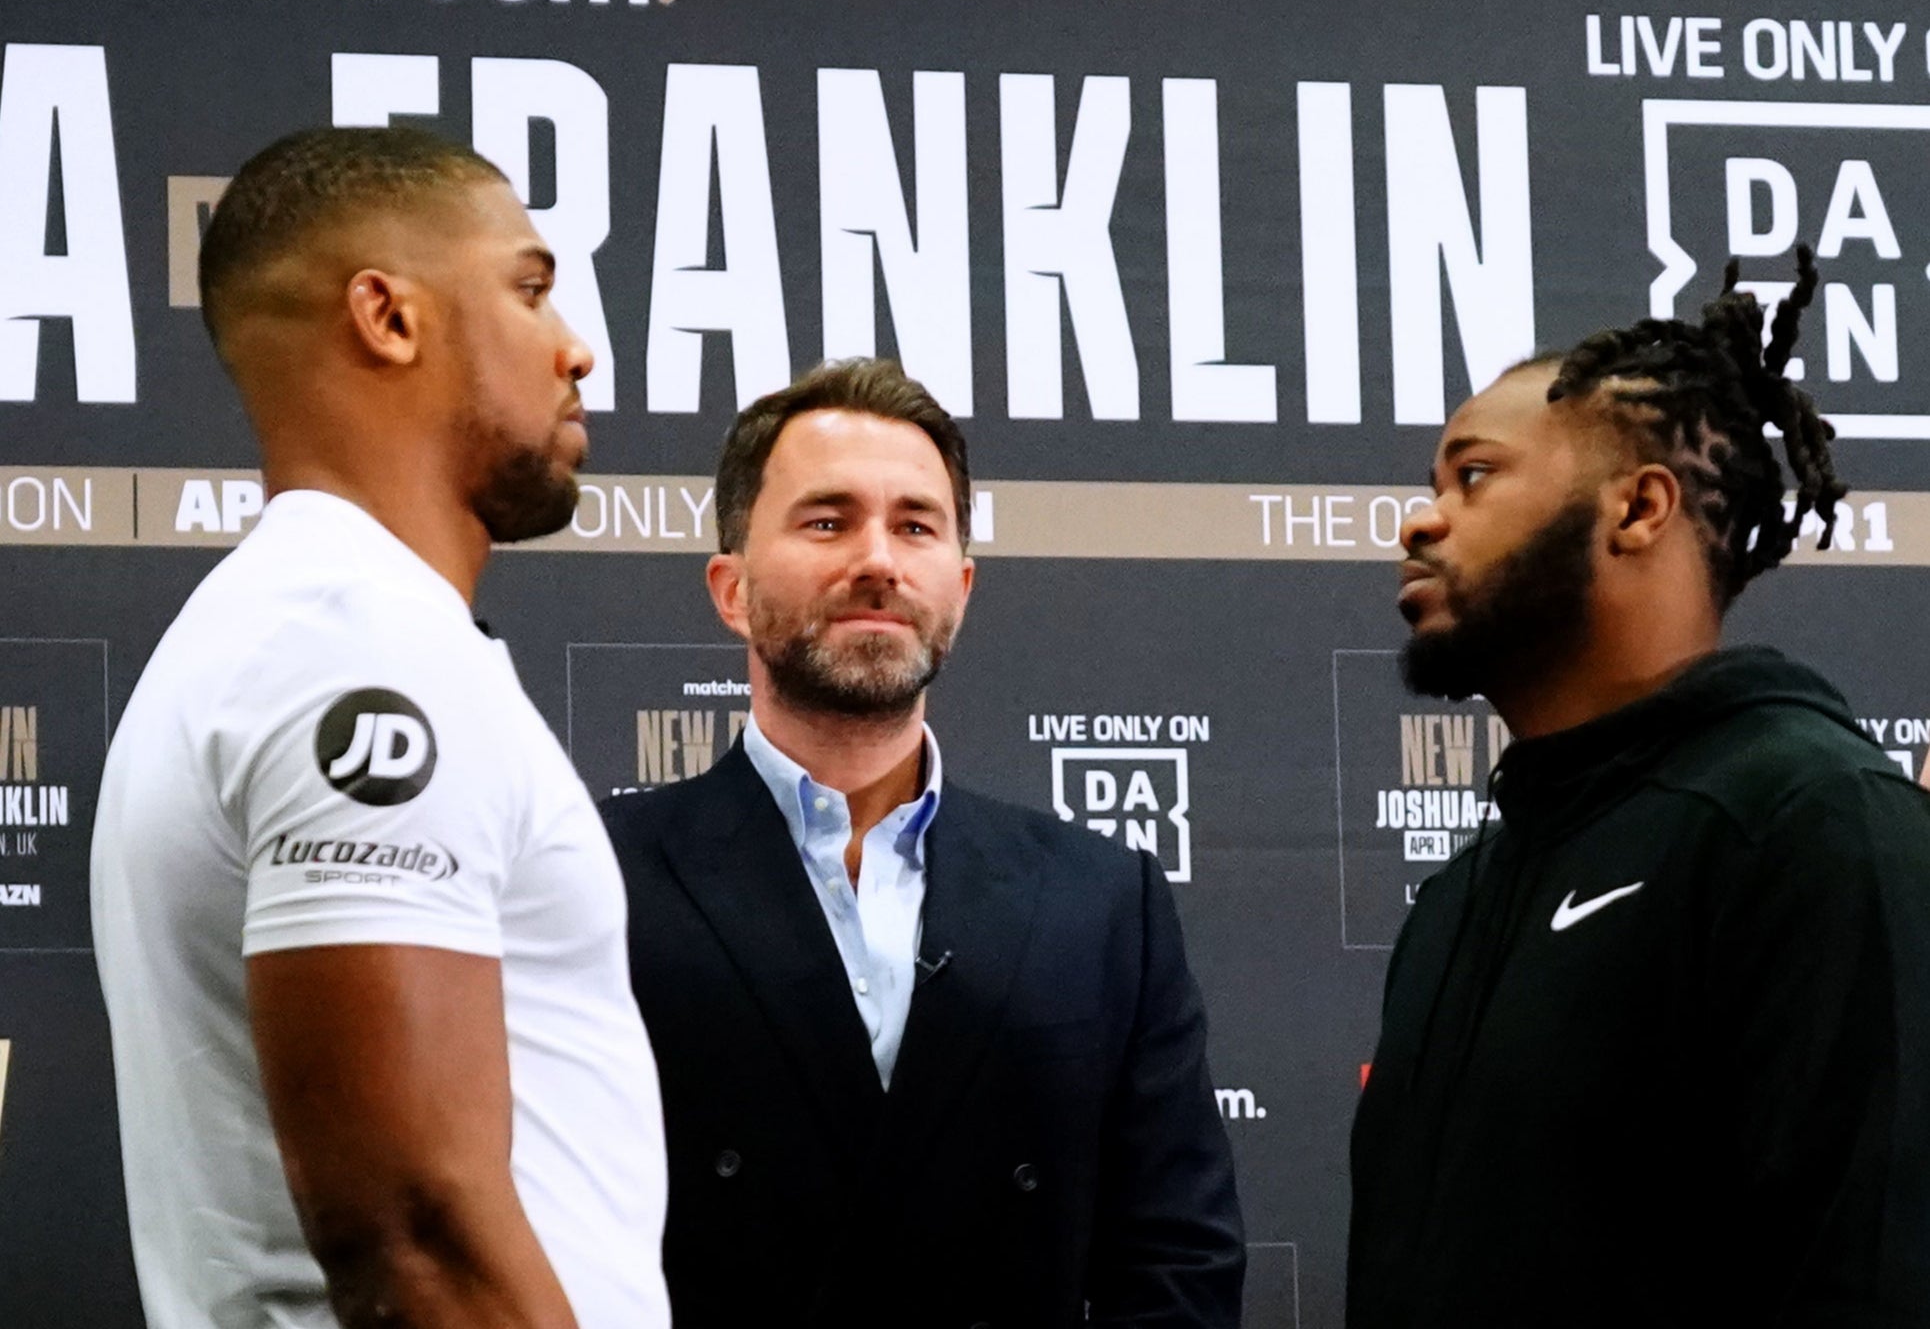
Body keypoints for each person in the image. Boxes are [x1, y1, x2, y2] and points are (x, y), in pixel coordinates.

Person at [90, 127, 670, 1329]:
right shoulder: (356, 646)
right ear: (388, 317)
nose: (578, 349)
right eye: (530, 287)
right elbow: (412, 1231)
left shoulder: (300, 630)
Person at [1349, 249, 1930, 1327]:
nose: (1419, 521)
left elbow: (1869, 1276)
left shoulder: (1813, 823)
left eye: (1471, 477)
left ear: (1638, 508)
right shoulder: (1460, 896)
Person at [599, 358, 1244, 1327]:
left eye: (914, 525)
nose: (877, 560)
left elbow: (1176, 1264)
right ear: (729, 588)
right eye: (826, 520)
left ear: (961, 584)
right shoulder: (599, 872)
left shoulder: (1104, 900)